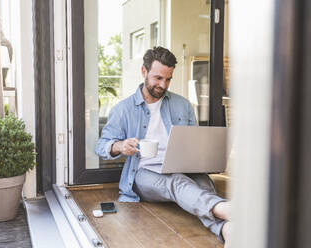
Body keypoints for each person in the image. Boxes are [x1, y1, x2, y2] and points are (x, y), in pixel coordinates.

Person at [95, 46, 231, 246]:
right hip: (144, 172)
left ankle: (227, 229)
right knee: (177, 183)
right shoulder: (123, 109)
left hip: (181, 166)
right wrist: (120, 145)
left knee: (204, 185)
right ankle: (230, 211)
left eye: (168, 79)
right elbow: (101, 146)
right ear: (144, 71)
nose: (163, 85)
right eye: (158, 78)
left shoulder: (182, 105)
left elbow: (194, 141)